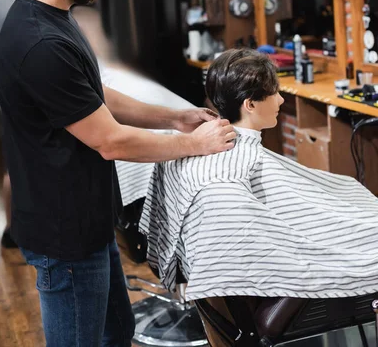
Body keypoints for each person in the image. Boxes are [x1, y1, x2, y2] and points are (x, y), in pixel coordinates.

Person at [0, 0, 235, 347]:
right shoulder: (39, 41)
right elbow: (110, 141)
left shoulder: (55, 17)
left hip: (86, 220)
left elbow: (93, 95)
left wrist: (176, 118)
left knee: (117, 333)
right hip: (64, 235)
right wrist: (196, 144)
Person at [141, 48, 378, 302]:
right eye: (274, 93)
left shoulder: (189, 150)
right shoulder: (231, 177)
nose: (281, 100)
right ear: (250, 104)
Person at [0, 0, 36, 249]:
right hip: (19, 98)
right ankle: (13, 230)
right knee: (17, 166)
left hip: (6, 94)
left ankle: (13, 230)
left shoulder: (4, 3)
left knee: (14, 163)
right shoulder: (17, 5)